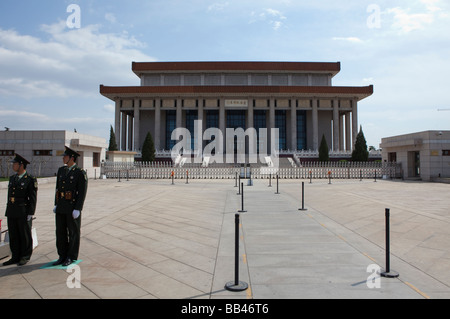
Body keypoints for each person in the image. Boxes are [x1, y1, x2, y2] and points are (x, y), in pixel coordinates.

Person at [53, 146, 88, 267]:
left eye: (65, 156)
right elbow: (57, 189)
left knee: (73, 232)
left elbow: (82, 192)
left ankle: (71, 256)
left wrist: (78, 208)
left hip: (72, 206)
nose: (63, 158)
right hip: (61, 206)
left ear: (72, 158)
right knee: (60, 232)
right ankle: (62, 255)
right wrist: (56, 204)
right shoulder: (61, 171)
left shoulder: (79, 173)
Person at [3, 154, 38, 266]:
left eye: (15, 164)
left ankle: (25, 256)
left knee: (24, 234)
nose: (13, 165)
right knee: (13, 234)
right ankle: (15, 256)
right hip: (12, 210)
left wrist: (30, 213)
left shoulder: (30, 179)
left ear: (21, 165)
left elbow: (32, 198)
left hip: (23, 211)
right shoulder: (12, 178)